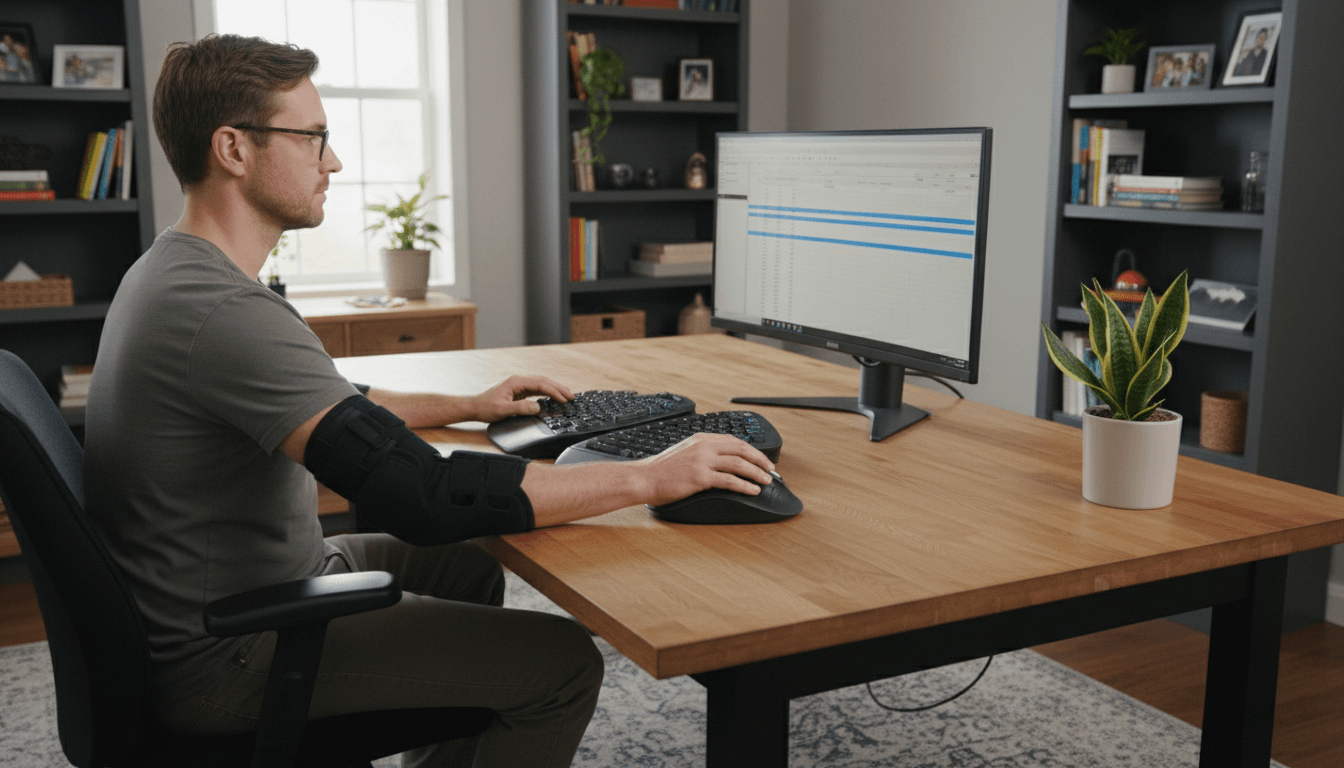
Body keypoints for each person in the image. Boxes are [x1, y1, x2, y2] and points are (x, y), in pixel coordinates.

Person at [83, 34, 776, 768]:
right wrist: (651, 477)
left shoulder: (176, 270)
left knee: (468, 570)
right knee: (563, 665)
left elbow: (332, 403)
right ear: (233, 148)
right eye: (314, 138)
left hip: (244, 582)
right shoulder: (225, 311)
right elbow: (426, 495)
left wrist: (466, 403)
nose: (334, 162)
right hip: (229, 653)